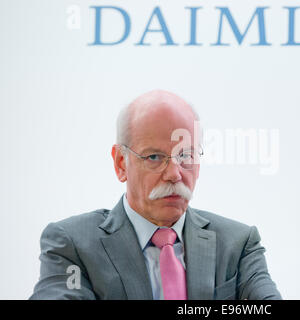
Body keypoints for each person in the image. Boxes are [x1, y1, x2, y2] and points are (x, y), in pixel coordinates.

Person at [30, 90, 281, 300]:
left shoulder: (238, 244)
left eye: (186, 155)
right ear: (120, 163)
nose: (174, 173)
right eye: (154, 157)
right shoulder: (73, 245)